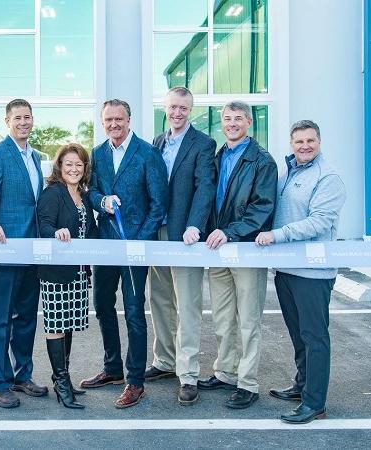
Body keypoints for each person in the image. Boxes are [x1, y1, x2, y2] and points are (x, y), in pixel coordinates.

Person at [80, 99, 168, 408]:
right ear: (103, 122)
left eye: (119, 119)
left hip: (135, 248)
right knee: (103, 305)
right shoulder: (97, 154)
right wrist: (101, 201)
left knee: (133, 311)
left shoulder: (148, 153)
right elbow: (88, 191)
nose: (114, 124)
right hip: (105, 244)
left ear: (129, 120)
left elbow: (159, 205)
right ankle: (112, 368)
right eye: (108, 120)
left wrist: (139, 242)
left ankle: (135, 381)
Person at [256, 120, 345, 424]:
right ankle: (302, 386)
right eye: (299, 142)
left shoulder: (328, 177)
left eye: (311, 141)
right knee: (298, 335)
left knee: (314, 336)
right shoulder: (288, 172)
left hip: (312, 273)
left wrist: (276, 236)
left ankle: (315, 403)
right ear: (291, 144)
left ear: (319, 142)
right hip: (287, 269)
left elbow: (319, 222)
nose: (305, 146)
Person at [198, 101, 277, 409]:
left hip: (244, 250)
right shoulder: (218, 156)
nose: (231, 123)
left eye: (238, 119)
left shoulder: (261, 161)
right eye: (227, 119)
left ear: (249, 123)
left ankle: (248, 382)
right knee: (222, 318)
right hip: (218, 252)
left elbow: (262, 208)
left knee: (248, 320)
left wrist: (230, 232)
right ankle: (226, 371)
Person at [145, 87, 217, 406]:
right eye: (173, 107)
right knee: (159, 298)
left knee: (187, 303)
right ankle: (165, 360)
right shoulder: (158, 143)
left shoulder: (203, 144)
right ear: (165, 108)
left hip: (185, 236)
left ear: (190, 111)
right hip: (157, 232)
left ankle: (188, 374)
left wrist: (194, 226)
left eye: (183, 108)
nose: (177, 113)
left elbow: (205, 189)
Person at [0, 99, 48, 409]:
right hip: (5, 250)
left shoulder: (35, 157)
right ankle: (0, 382)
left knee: (27, 319)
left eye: (27, 117)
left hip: (32, 251)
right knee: (0, 320)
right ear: (7, 122)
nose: (23, 122)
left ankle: (23, 375)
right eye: (17, 117)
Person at [37, 143, 98, 409]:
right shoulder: (53, 193)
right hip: (57, 272)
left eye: (79, 164)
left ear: (84, 168)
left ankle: (65, 377)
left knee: (69, 323)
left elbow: (91, 232)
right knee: (56, 324)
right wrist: (56, 232)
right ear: (60, 167)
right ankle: (61, 384)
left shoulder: (83, 196)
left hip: (78, 271)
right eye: (68, 164)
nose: (74, 169)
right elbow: (44, 224)